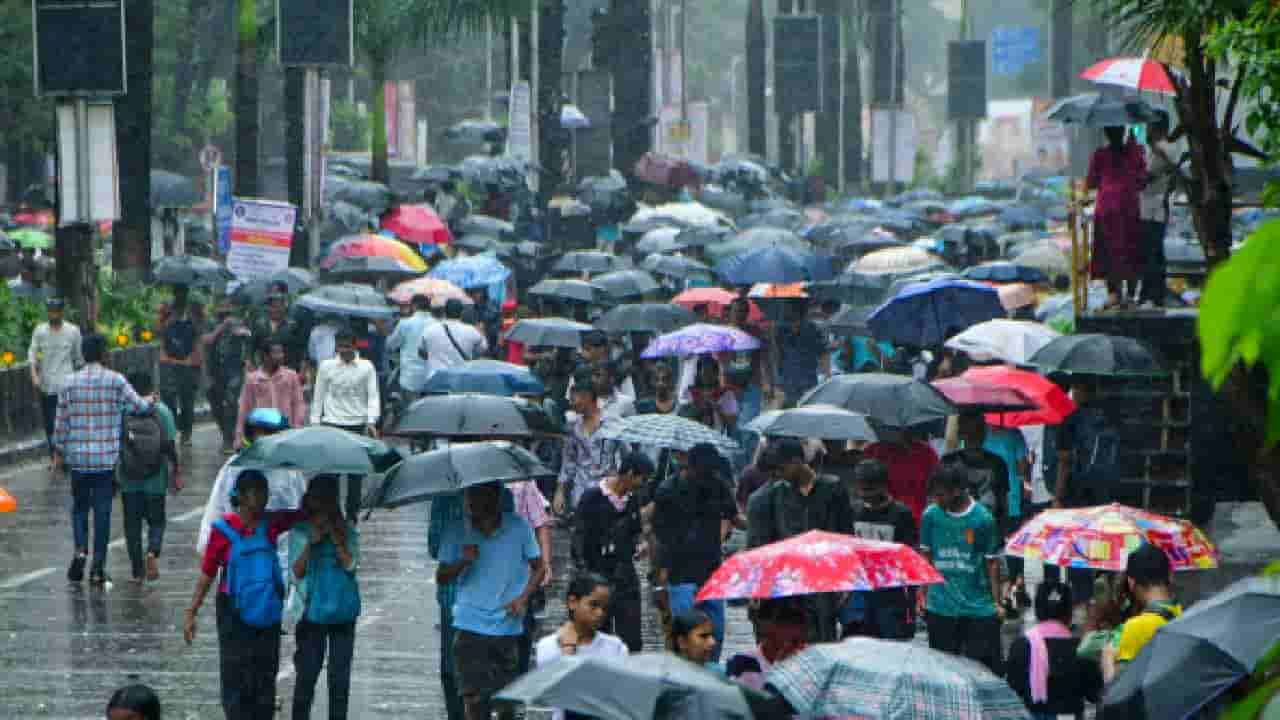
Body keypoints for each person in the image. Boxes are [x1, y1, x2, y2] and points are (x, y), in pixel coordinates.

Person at [185, 470, 305, 720]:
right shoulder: (222, 530)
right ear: (240, 495)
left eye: (264, 492)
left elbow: (299, 515)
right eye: (256, 492)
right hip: (233, 613)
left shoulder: (270, 524)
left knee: (265, 671)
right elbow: (207, 573)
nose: (262, 498)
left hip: (267, 610)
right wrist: (191, 612)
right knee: (235, 672)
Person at [436, 482, 545, 720]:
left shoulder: (519, 527)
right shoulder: (455, 529)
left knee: (507, 704)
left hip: (507, 628)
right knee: (474, 701)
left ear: (495, 498)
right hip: (468, 628)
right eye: (468, 496)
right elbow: (441, 577)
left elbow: (539, 567)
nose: (470, 503)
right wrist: (463, 561)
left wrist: (522, 599)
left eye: (477, 496)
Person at [53, 333, 154, 586]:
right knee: (103, 513)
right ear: (103, 354)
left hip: (79, 460)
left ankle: (80, 550)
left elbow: (61, 424)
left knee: (78, 509)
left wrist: (59, 450)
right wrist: (151, 400)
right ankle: (98, 567)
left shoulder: (69, 383)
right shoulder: (116, 381)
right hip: (105, 462)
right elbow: (139, 407)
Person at [747, 438, 854, 641]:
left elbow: (845, 535)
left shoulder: (833, 489)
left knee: (823, 636)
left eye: (781, 469)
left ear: (796, 462)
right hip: (789, 580)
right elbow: (762, 543)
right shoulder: (776, 494)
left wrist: (845, 579)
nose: (778, 475)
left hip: (824, 577)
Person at [652, 443, 738, 662]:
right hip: (679, 573)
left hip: (711, 572)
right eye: (702, 472)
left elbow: (732, 516)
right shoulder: (667, 491)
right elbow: (658, 537)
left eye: (710, 472)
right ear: (688, 467)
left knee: (715, 633)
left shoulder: (718, 485)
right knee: (685, 634)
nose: (706, 477)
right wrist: (658, 580)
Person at [286, 476, 361, 720]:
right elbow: (296, 573)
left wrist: (337, 539)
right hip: (311, 613)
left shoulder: (347, 530)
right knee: (306, 677)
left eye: (327, 501)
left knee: (340, 680)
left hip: (343, 612)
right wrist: (311, 543)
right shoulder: (300, 531)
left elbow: (351, 566)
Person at [920, 461, 1004, 674]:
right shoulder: (930, 516)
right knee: (943, 672)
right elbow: (926, 557)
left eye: (940, 495)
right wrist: (922, 595)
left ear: (957, 491)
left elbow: (991, 562)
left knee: (983, 672)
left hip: (978, 607)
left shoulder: (983, 519)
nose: (936, 500)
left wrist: (997, 603)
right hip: (940, 607)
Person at [574, 452, 653, 652]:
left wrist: (641, 543)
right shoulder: (592, 497)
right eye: (642, 478)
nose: (642, 484)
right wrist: (585, 574)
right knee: (600, 633)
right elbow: (579, 537)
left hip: (625, 576)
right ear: (629, 473)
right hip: (599, 576)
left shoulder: (633, 500)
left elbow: (636, 532)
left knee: (632, 636)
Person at [534, 574, 628, 720]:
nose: (600, 613)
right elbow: (557, 694)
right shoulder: (548, 647)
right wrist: (567, 649)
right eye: (593, 605)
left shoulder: (616, 647)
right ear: (572, 602)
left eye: (604, 607)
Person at [310, 331, 380, 524]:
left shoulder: (366, 367)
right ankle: (330, 516)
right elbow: (319, 395)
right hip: (332, 423)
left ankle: (351, 518)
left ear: (355, 345)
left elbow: (373, 395)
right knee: (330, 474)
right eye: (340, 347)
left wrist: (371, 421)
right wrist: (315, 423)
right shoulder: (326, 366)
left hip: (356, 425)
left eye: (347, 346)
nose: (344, 351)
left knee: (355, 476)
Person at [118, 371, 181, 585]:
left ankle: (137, 572)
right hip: (156, 479)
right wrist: (176, 472)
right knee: (157, 522)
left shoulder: (122, 411)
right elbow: (170, 445)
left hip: (128, 479)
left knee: (132, 527)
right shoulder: (161, 411)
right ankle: (153, 552)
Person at [844, 459, 918, 640]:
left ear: (883, 486)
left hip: (891, 594)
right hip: (859, 592)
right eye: (861, 489)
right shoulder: (853, 510)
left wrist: (911, 601)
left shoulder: (901, 514)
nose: (864, 494)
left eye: (869, 489)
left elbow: (909, 556)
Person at [1006, 581, 1102, 720]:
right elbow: (1095, 694)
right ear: (1069, 614)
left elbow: (1013, 688)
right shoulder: (1081, 648)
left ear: (1037, 611)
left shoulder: (1021, 645)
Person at [1086, 126, 1147, 307]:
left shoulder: (1100, 155)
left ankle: (1113, 293)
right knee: (1131, 249)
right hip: (1129, 208)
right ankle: (1130, 294)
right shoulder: (1134, 153)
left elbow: (1091, 182)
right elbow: (1142, 180)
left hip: (1106, 209)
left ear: (1106, 134)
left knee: (1108, 251)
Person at [1103, 543, 1180, 683]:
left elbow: (1117, 693)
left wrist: (1107, 658)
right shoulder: (1184, 615)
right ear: (1170, 576)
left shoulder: (1134, 628)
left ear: (1131, 583)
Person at [554, 372, 620, 515]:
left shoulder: (613, 423)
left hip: (608, 492)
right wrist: (559, 492)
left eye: (573, 399)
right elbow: (568, 462)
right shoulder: (573, 427)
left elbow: (623, 455)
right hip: (581, 493)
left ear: (587, 397)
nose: (571, 404)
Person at [28, 297, 82, 464]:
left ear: (61, 312)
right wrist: (34, 375)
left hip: (67, 385)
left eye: (56, 311)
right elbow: (32, 354)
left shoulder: (73, 331)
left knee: (69, 422)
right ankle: (55, 456)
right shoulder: (40, 331)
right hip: (47, 386)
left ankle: (67, 455)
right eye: (50, 311)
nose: (53, 314)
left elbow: (78, 359)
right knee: (50, 423)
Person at [235, 339, 307, 451]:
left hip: (285, 432)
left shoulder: (291, 376)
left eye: (281, 352)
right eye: (276, 353)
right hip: (261, 432)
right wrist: (239, 438)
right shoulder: (253, 379)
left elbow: (298, 403)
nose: (281, 356)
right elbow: (244, 408)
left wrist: (297, 427)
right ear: (265, 356)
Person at [204, 300, 256, 454]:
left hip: (234, 369)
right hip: (215, 370)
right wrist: (222, 327)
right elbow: (207, 340)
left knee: (231, 400)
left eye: (228, 310)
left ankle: (230, 439)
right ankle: (227, 434)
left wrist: (247, 359)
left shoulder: (237, 323)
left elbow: (248, 336)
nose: (225, 314)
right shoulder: (211, 324)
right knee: (216, 402)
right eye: (222, 309)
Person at [1138, 113, 1177, 308]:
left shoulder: (1163, 149)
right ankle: (1151, 293)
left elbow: (1147, 177)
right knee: (1151, 251)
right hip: (1149, 206)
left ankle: (1153, 294)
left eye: (1149, 126)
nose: (1146, 130)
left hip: (1155, 207)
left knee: (1152, 251)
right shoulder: (1154, 150)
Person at [725, 600, 808, 690]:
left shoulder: (810, 661)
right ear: (766, 627)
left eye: (797, 641)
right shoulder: (742, 663)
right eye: (784, 622)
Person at [863, 428, 939, 525]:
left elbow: (935, 490)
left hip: (914, 521)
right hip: (881, 521)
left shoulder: (928, 454)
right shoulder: (872, 451)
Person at [944, 414, 1011, 524]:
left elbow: (1003, 504)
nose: (974, 435)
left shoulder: (997, 463)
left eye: (978, 430)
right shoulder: (948, 463)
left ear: (984, 432)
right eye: (969, 431)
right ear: (961, 433)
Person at [157, 286, 203, 447]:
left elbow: (199, 335)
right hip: (169, 363)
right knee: (168, 398)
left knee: (187, 401)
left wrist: (194, 359)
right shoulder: (166, 312)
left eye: (183, 294)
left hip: (188, 363)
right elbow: (159, 332)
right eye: (178, 294)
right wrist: (167, 318)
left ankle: (186, 433)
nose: (180, 297)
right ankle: (172, 430)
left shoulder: (194, 312)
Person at [384, 293, 438, 398]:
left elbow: (390, 345)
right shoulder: (438, 324)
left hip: (409, 378)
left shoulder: (405, 323)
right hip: (431, 378)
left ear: (414, 306)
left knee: (409, 411)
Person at [776, 302, 830, 407]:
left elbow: (822, 352)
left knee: (806, 407)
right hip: (789, 377)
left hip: (806, 377)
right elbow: (778, 353)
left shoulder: (811, 328)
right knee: (789, 409)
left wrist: (826, 373)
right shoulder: (782, 329)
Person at [418, 299, 488, 379]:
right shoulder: (471, 330)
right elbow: (483, 349)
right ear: (462, 312)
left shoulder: (429, 330)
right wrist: (481, 331)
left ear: (444, 312)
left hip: (435, 379)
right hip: (460, 379)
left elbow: (421, 352)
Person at [680, 355, 738, 434]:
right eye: (704, 370)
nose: (707, 374)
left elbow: (732, 423)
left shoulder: (726, 394)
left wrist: (716, 407)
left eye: (711, 371)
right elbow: (683, 416)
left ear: (716, 373)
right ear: (699, 372)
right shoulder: (689, 392)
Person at [252, 293, 304, 371]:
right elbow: (251, 346)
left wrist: (302, 369)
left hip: (288, 369)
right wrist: (251, 364)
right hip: (265, 370)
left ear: (284, 307)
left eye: (280, 306)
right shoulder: (260, 325)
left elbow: (301, 349)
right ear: (268, 308)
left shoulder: (293, 326)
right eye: (273, 307)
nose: (277, 310)